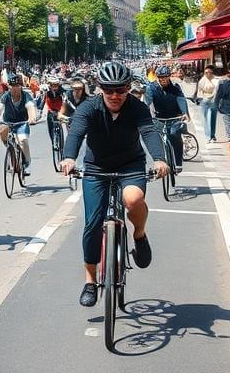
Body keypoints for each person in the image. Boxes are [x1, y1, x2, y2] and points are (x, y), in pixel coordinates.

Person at [60, 62, 169, 308]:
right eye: (109, 90)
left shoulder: (137, 107)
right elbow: (76, 132)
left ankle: (139, 235)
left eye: (120, 90)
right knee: (92, 222)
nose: (115, 96)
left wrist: (160, 159)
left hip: (130, 164)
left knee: (132, 200)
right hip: (97, 168)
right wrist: (69, 157)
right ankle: (90, 281)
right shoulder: (89, 107)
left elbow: (149, 132)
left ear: (129, 89)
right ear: (100, 89)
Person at [0, 73, 38, 175]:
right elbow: (0, 107)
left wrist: (32, 118)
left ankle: (27, 163)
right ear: (9, 87)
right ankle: (11, 151)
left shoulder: (26, 96)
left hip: (22, 123)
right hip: (8, 122)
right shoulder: (6, 96)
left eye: (17, 86)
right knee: (2, 133)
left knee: (23, 140)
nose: (15, 89)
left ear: (21, 86)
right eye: (12, 86)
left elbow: (30, 107)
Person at [144, 65, 190, 171]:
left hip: (174, 118)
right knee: (156, 139)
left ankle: (178, 163)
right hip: (159, 118)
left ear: (169, 76)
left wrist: (185, 112)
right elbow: (147, 102)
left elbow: (181, 99)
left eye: (165, 77)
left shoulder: (175, 87)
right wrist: (144, 115)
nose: (162, 79)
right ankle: (161, 161)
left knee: (175, 136)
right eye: (160, 77)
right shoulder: (151, 88)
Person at [196, 66, 219, 142]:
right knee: (207, 118)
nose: (208, 74)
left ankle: (213, 135)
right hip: (205, 100)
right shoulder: (202, 80)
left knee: (213, 118)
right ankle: (208, 136)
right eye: (206, 73)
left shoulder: (216, 80)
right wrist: (199, 99)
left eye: (210, 72)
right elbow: (199, 90)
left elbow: (217, 90)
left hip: (214, 100)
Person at [43, 76, 66, 145]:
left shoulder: (61, 90)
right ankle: (53, 141)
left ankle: (63, 141)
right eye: (53, 85)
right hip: (51, 110)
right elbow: (43, 101)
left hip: (60, 110)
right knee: (50, 124)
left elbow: (66, 98)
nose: (55, 87)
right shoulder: (47, 91)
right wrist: (41, 111)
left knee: (64, 125)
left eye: (56, 85)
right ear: (50, 85)